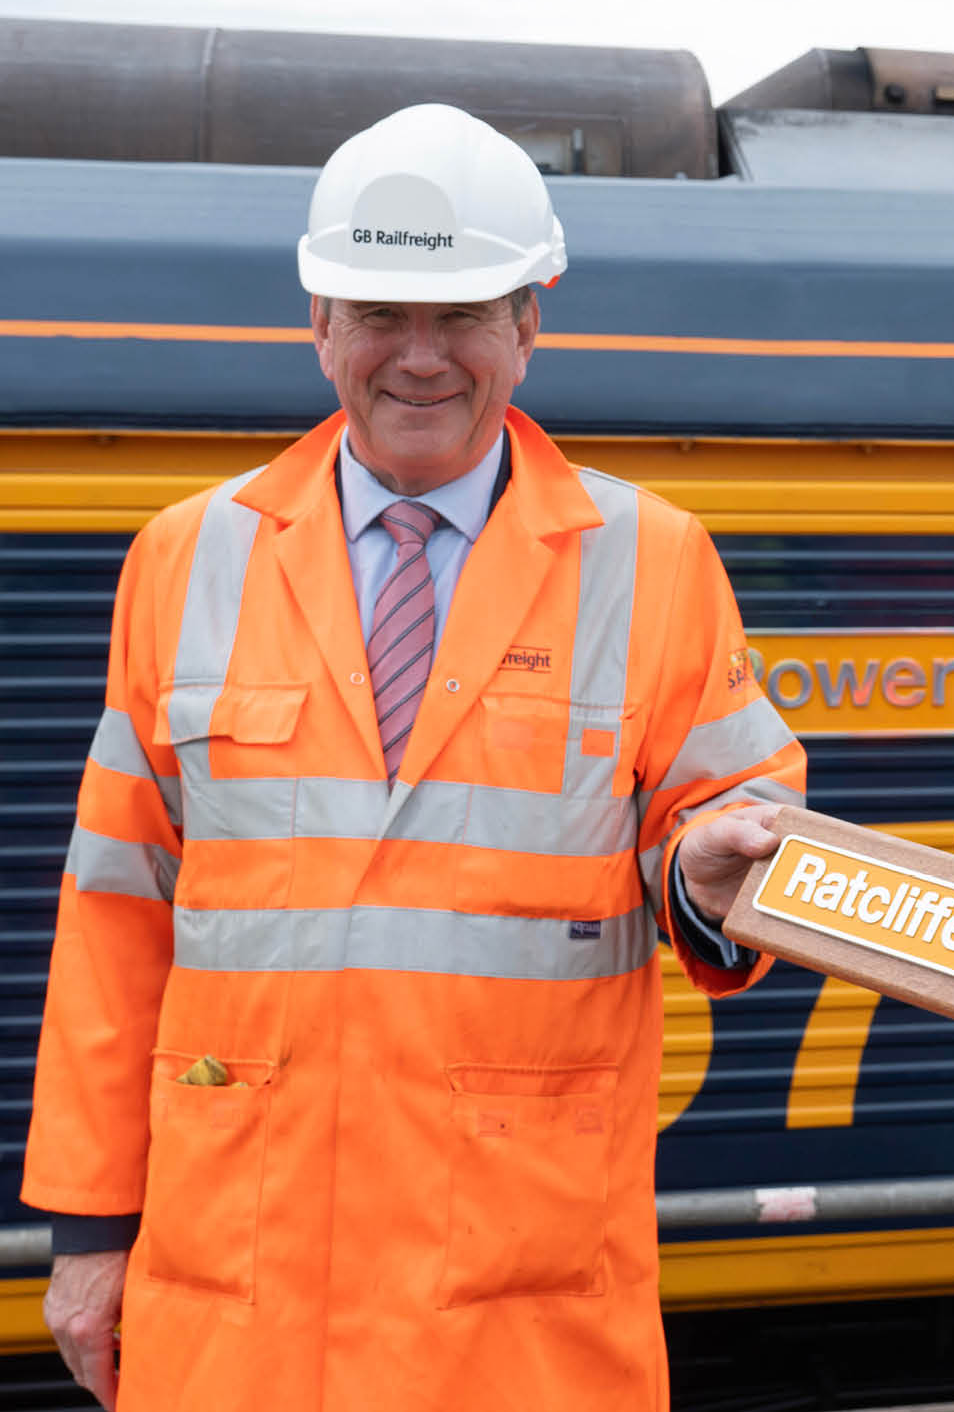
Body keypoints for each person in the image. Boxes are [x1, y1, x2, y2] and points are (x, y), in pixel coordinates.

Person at [22, 103, 799, 1412]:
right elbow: (113, 918)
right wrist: (90, 1234)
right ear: (319, 320)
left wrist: (715, 880)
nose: (421, 357)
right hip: (243, 1294)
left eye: (464, 315)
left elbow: (721, 834)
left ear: (530, 322)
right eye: (383, 313)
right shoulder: (185, 557)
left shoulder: (650, 560)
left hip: (512, 1302)